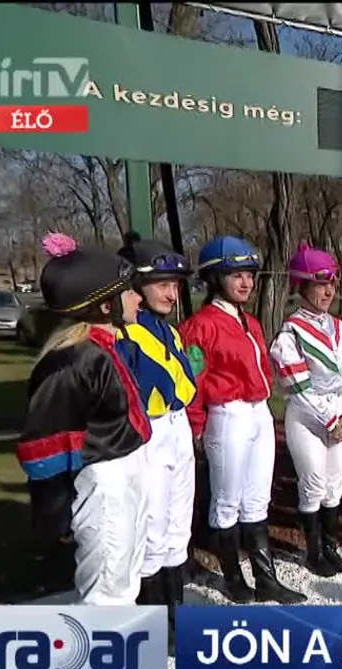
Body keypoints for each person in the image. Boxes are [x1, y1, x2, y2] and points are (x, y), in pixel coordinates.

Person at [16, 232, 151, 605]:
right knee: (106, 591)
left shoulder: (104, 349)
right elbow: (44, 446)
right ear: (106, 306)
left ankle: (123, 641)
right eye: (129, 292)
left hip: (127, 470)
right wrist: (54, 512)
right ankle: (98, 645)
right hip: (103, 480)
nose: (138, 298)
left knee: (126, 580)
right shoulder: (73, 362)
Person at [180, 236, 306, 605]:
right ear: (216, 278)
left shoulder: (250, 321)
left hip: (259, 413)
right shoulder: (201, 325)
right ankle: (234, 578)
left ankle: (266, 579)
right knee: (226, 501)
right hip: (228, 414)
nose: (246, 282)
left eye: (249, 275)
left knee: (257, 500)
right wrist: (196, 426)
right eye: (236, 275)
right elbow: (193, 379)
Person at [114, 232, 197, 631]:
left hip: (178, 427)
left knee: (179, 523)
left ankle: (175, 613)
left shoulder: (170, 331)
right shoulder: (126, 334)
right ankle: (152, 620)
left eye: (175, 286)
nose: (172, 294)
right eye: (162, 285)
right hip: (150, 431)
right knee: (153, 527)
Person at [269, 243, 342, 577]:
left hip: (341, 415)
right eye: (320, 284)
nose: (328, 291)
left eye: (332, 283)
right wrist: (333, 419)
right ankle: (312, 551)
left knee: (335, 484)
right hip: (308, 417)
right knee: (314, 483)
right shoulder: (290, 332)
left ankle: (330, 546)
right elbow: (299, 388)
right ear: (302, 286)